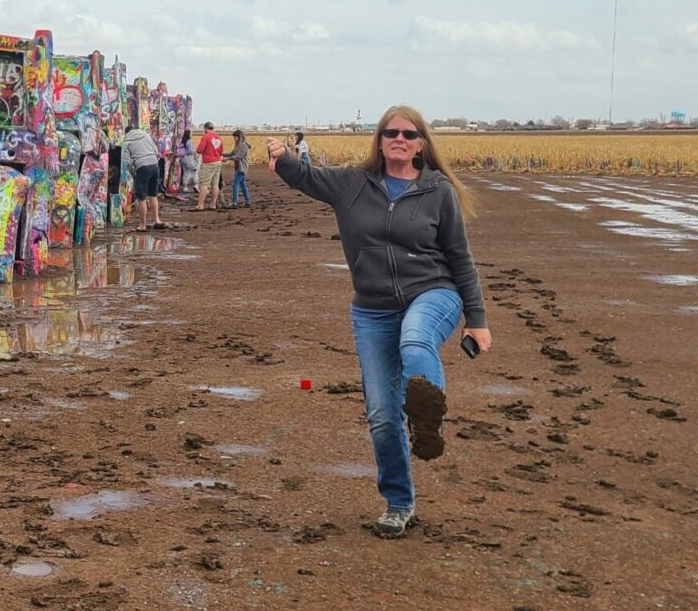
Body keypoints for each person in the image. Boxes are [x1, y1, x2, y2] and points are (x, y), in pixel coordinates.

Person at [267, 106, 491, 539]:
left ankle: (427, 421)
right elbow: (305, 177)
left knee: (415, 342)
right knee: (382, 416)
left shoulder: (437, 190)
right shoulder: (353, 185)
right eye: (390, 133)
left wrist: (476, 319)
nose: (399, 139)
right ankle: (399, 502)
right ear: (379, 140)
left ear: (421, 143)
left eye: (408, 134)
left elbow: (460, 259)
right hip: (372, 309)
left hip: (433, 293)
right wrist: (281, 155)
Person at [121, 121, 162, 230]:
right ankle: (156, 220)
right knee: (153, 195)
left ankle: (142, 225)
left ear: (126, 133)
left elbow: (127, 161)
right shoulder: (146, 135)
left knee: (141, 197)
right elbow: (156, 150)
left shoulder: (126, 141)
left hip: (142, 167)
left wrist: (133, 173)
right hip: (154, 165)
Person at [195, 123, 224, 211]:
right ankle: (213, 204)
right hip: (217, 162)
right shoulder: (219, 138)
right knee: (215, 184)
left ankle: (200, 205)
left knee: (204, 184)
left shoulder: (206, 137)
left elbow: (199, 150)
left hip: (208, 162)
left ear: (205, 129)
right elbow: (221, 151)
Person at [228, 129, 252, 208]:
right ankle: (247, 201)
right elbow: (231, 154)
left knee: (235, 185)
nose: (234, 139)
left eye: (235, 137)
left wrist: (227, 158)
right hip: (238, 167)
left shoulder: (243, 146)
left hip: (241, 168)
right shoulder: (238, 145)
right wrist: (222, 154)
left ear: (239, 137)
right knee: (242, 184)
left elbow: (238, 157)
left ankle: (234, 203)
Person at [180, 125, 200, 198]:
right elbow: (191, 150)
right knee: (194, 170)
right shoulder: (189, 141)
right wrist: (195, 153)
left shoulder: (182, 142)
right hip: (189, 158)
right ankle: (196, 185)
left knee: (185, 171)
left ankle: (185, 186)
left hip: (182, 158)